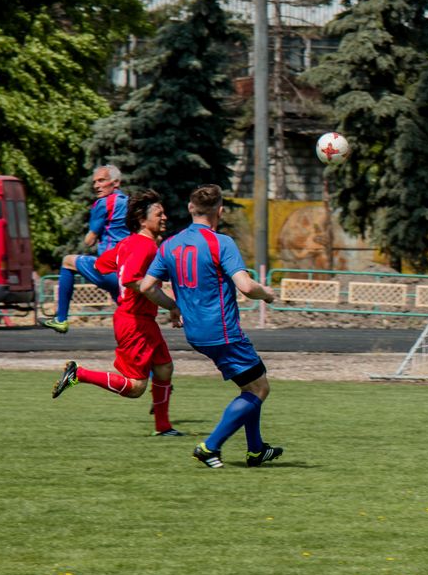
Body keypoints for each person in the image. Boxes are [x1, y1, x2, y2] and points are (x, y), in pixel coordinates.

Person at [137, 185, 283, 469]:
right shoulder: (221, 243)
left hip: (195, 333)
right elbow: (245, 286)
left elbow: (146, 287)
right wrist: (266, 293)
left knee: (250, 384)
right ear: (220, 211)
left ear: (191, 209)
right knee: (259, 389)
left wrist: (173, 307)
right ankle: (209, 447)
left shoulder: (169, 245)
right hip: (222, 331)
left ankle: (256, 450)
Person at [51, 191, 181, 436]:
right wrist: (172, 305)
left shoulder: (129, 243)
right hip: (134, 321)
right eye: (159, 214)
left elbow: (102, 265)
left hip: (140, 319)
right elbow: (133, 279)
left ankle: (163, 427)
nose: (165, 217)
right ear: (143, 220)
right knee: (136, 387)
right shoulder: (144, 246)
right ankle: (79, 374)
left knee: (164, 368)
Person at [43, 164, 129, 333]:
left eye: (101, 180)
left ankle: (61, 319)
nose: (96, 186)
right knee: (128, 315)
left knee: (67, 261)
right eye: (94, 182)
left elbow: (89, 240)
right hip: (129, 270)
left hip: (109, 268)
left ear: (116, 182)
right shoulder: (130, 202)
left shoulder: (104, 203)